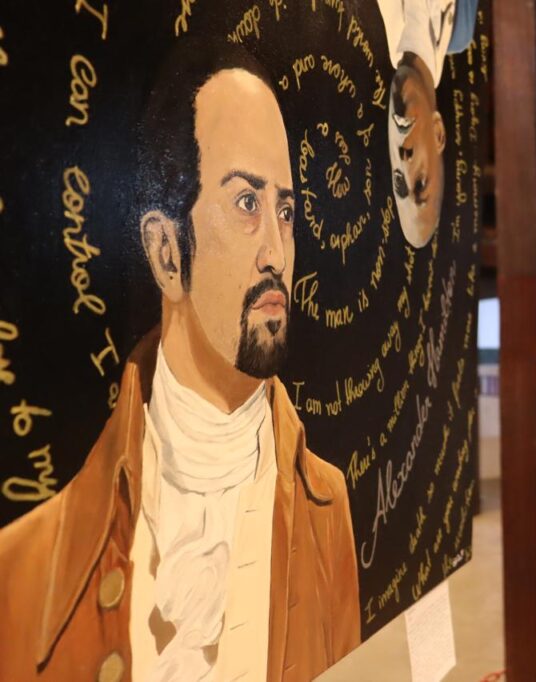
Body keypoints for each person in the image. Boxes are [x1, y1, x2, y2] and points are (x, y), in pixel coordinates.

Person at [0, 41, 361, 681]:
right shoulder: (27, 566)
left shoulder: (327, 509)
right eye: (246, 203)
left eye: (285, 211)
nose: (277, 253)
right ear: (167, 253)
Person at [377, 0, 479, 248]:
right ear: (438, 133)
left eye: (399, 180)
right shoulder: (461, 28)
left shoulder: (368, 16)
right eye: (420, 183)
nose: (405, 159)